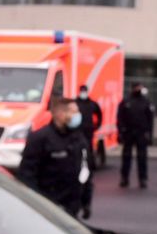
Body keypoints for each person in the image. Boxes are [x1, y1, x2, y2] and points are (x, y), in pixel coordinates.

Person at [17, 96, 91, 215]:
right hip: (49, 206)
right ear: (60, 114)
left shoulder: (79, 138)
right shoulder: (40, 138)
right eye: (74, 112)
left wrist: (86, 201)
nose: (78, 115)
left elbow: (85, 170)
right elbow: (27, 175)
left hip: (72, 206)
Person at [117, 82, 154, 188]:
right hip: (128, 132)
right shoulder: (126, 101)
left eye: (140, 87)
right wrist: (120, 132)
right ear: (132, 88)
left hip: (141, 133)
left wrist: (149, 134)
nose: (138, 89)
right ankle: (124, 178)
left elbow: (150, 119)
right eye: (137, 87)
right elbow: (120, 118)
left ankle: (142, 179)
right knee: (126, 157)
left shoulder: (146, 102)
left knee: (142, 157)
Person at [74, 84, 103, 218]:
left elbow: (99, 114)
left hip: (88, 136)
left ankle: (85, 203)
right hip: (78, 136)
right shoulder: (74, 103)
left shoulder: (92, 104)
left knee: (87, 164)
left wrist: (95, 126)